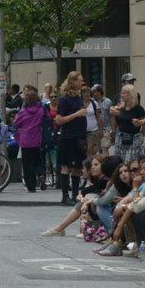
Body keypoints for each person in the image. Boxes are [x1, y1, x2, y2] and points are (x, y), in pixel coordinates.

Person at [55, 71, 90, 205]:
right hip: (68, 137)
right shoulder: (64, 99)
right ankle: (65, 196)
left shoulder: (78, 98)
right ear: (73, 82)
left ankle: (75, 194)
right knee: (66, 166)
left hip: (80, 137)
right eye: (80, 80)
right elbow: (58, 120)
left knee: (78, 168)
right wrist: (76, 115)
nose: (82, 82)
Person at [12, 85, 49, 192]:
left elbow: (15, 124)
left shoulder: (24, 111)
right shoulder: (41, 109)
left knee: (27, 164)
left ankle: (31, 186)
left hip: (25, 139)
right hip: (38, 138)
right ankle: (41, 174)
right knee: (38, 159)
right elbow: (48, 119)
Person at [112, 84, 145, 164]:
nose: (122, 95)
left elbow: (144, 123)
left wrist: (142, 134)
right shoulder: (121, 108)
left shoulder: (138, 108)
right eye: (122, 93)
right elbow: (117, 121)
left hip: (134, 139)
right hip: (120, 138)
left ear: (131, 94)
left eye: (124, 93)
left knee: (130, 162)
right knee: (118, 162)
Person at [92, 84, 113, 154]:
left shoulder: (108, 102)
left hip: (106, 129)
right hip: (94, 129)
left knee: (105, 148)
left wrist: (113, 129)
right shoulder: (91, 102)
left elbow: (111, 116)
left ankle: (105, 164)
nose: (92, 93)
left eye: (94, 91)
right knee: (94, 151)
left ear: (98, 92)